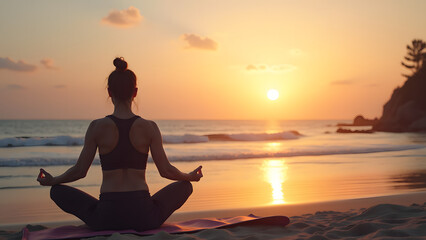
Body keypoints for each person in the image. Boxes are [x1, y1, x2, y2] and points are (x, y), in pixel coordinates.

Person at [36, 57, 203, 231]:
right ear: (135, 92)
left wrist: (53, 180)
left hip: (107, 217)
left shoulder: (96, 127)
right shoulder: (150, 127)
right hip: (144, 216)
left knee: (56, 191)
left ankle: (97, 216)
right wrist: (190, 176)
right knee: (185, 187)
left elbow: (80, 171)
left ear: (109, 92)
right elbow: (166, 171)